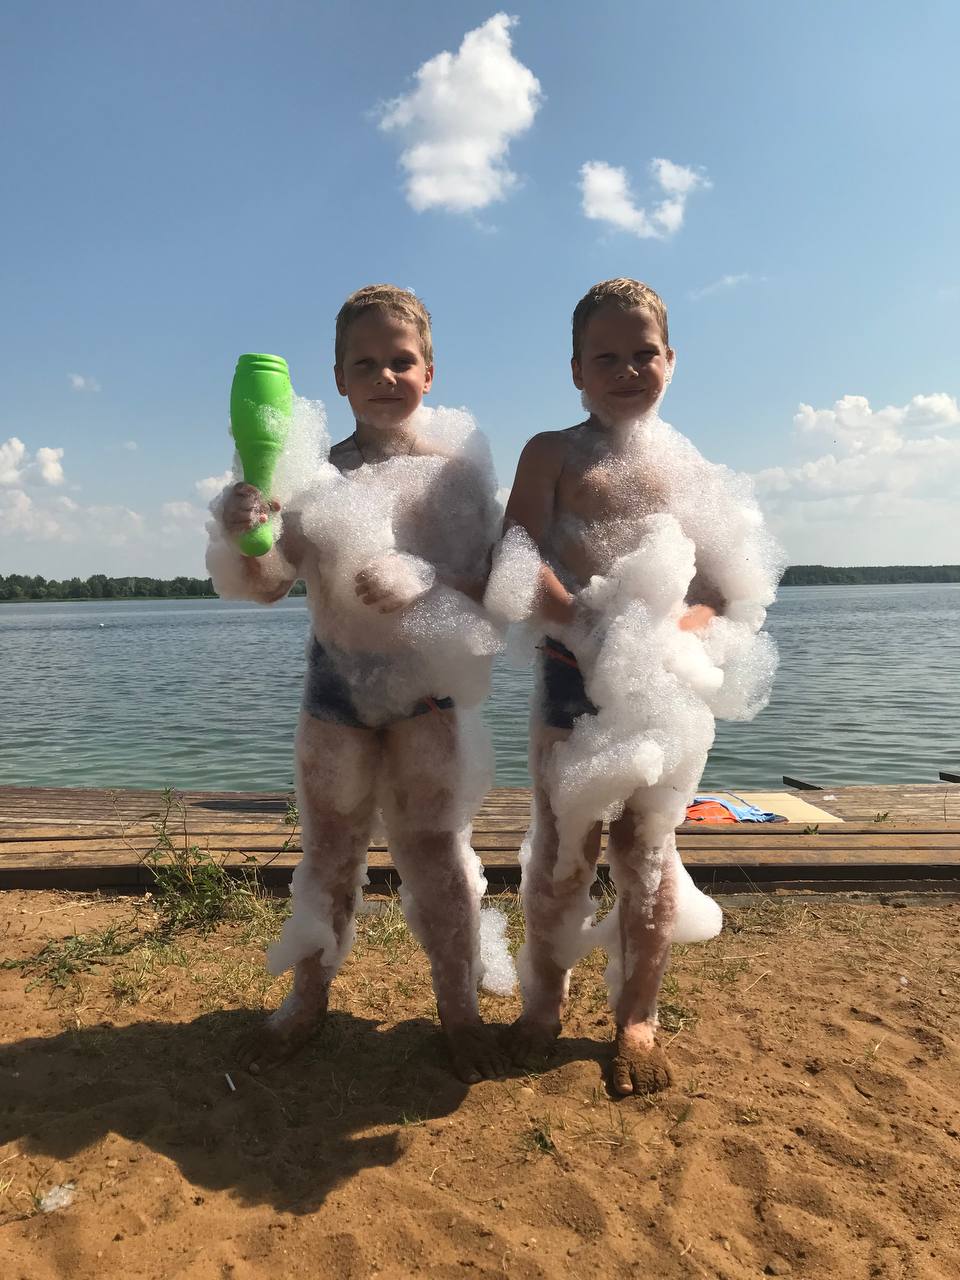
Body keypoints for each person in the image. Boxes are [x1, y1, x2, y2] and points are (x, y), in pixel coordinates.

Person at [209, 284, 508, 1084]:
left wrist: (426, 577)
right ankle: (306, 1003)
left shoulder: (456, 477)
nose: (385, 377)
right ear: (338, 378)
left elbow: (497, 588)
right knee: (330, 855)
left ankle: (460, 1012)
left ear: (429, 372)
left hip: (429, 701)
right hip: (334, 699)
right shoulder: (313, 477)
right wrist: (243, 532)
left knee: (438, 854)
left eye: (401, 361)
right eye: (365, 364)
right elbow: (266, 584)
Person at [501, 278, 736, 1096]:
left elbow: (721, 587)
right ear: (576, 370)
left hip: (662, 688)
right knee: (562, 852)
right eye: (606, 357)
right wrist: (584, 624)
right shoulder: (551, 452)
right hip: (570, 675)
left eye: (644, 354)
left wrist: (677, 634)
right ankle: (543, 1004)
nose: (628, 370)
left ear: (671, 359)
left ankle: (639, 1017)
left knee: (648, 852)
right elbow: (518, 555)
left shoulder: (691, 468)